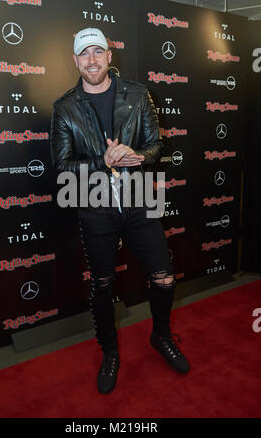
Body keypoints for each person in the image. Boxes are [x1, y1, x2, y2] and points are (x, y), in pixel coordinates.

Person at [50, 27, 189, 394]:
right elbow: (62, 166)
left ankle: (160, 336)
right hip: (94, 203)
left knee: (164, 278)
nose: (92, 59)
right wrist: (103, 159)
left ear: (110, 56)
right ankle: (109, 351)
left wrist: (137, 156)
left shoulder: (139, 95)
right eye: (84, 54)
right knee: (102, 285)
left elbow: (157, 145)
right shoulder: (64, 107)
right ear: (75, 60)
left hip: (140, 197)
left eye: (98, 51)